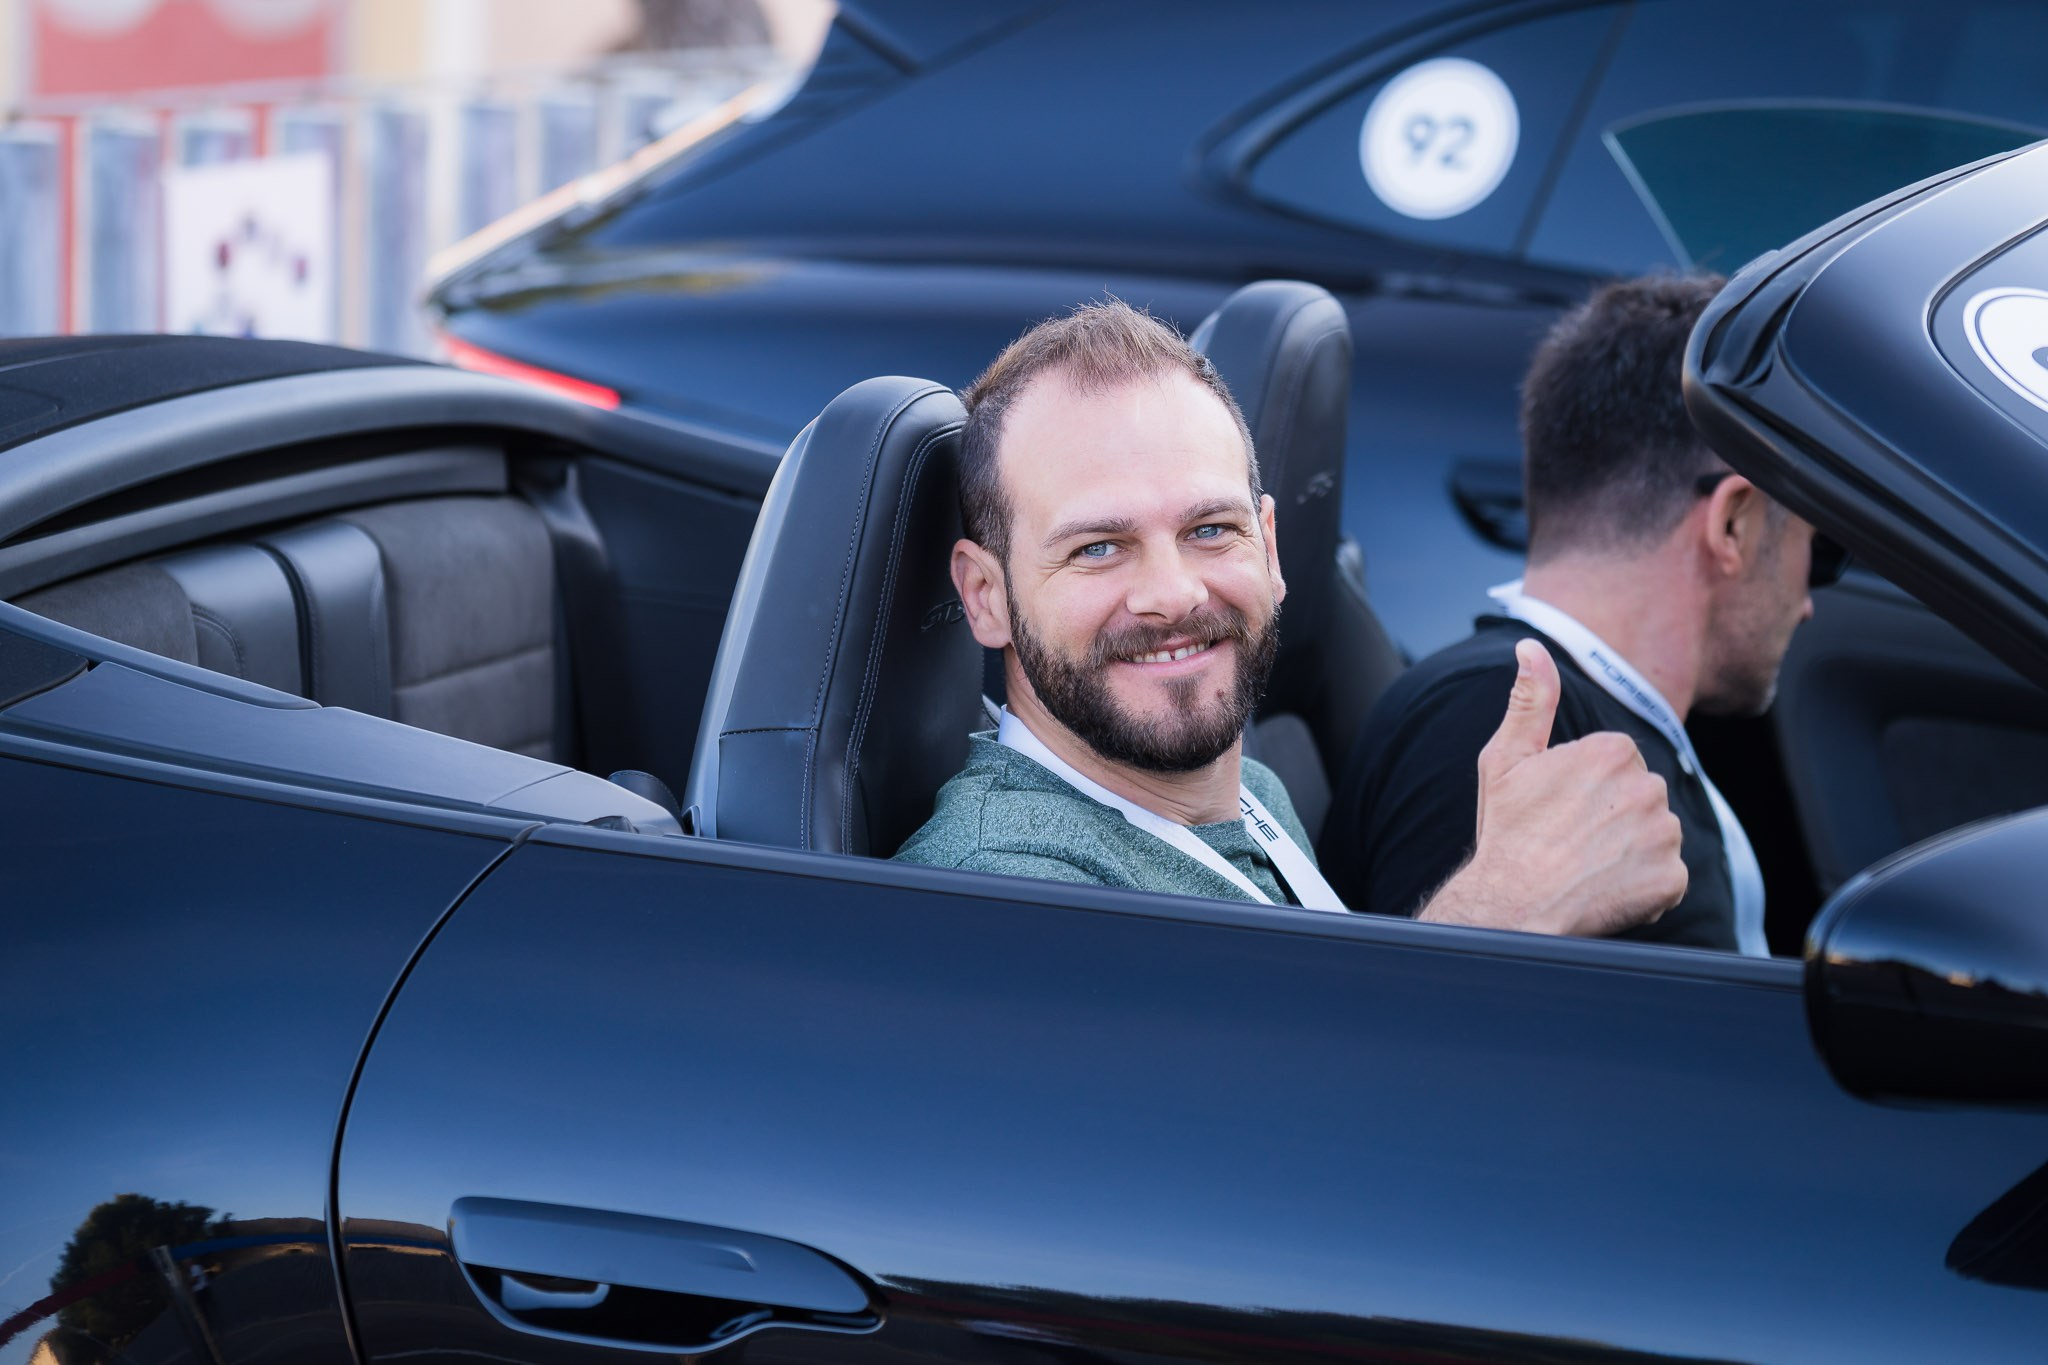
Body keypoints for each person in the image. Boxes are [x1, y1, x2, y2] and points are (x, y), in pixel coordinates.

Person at [895, 299, 1687, 937]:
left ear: (1269, 546)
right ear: (985, 595)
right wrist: (1503, 908)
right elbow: (1253, 1102)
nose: (1174, 593)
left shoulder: (1251, 793)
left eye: (1211, 530)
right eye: (1098, 548)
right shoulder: (998, 896)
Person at [1320, 274, 1834, 954]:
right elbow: (1425, 1014)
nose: (1810, 601)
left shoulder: (1571, 715)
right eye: (1818, 547)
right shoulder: (1493, 720)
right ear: (1733, 524)